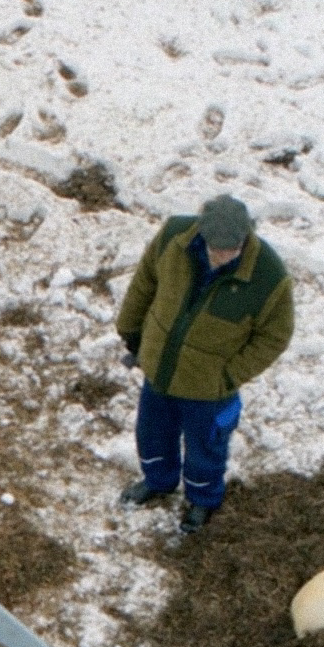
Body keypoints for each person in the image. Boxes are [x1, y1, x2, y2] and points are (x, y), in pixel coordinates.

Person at [113, 193, 295, 534]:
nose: (223, 255)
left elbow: (275, 336)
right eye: (217, 247)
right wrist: (131, 329)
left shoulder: (269, 277)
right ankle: (158, 481)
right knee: (152, 433)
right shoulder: (173, 238)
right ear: (201, 232)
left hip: (209, 388)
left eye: (232, 248)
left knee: (206, 448)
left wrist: (229, 375)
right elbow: (145, 281)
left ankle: (202, 500)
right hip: (161, 369)